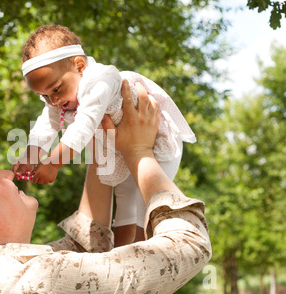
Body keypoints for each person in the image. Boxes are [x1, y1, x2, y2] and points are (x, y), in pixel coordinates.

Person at [0, 80, 211, 294]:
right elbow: (189, 248)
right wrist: (139, 151)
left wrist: (102, 141)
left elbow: (86, 248)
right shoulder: (35, 284)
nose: (8, 173)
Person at [12, 25, 196, 246]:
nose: (53, 101)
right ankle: (121, 253)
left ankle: (145, 250)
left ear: (79, 66)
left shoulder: (101, 80)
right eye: (44, 96)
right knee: (125, 197)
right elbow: (46, 123)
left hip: (155, 144)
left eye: (56, 90)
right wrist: (32, 154)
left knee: (142, 203)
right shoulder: (61, 96)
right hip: (119, 149)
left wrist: (53, 163)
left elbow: (83, 126)